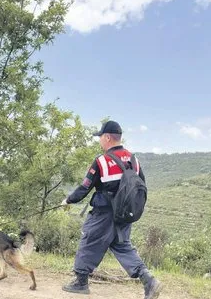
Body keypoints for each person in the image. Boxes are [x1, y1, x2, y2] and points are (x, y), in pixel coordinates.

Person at [60, 120, 162, 299]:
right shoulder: (134, 160)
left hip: (103, 213)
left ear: (107, 137)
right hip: (124, 213)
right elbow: (142, 186)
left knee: (88, 241)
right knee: (122, 246)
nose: (99, 140)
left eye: (100, 137)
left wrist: (68, 200)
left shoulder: (102, 161)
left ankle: (80, 282)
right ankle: (149, 281)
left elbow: (85, 187)